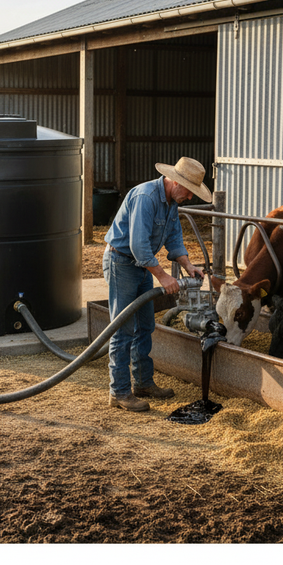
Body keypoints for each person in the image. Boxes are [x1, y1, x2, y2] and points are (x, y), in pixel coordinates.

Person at [102, 157, 213, 412]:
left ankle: (142, 383)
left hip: (140, 265)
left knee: (145, 326)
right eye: (188, 191)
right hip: (122, 262)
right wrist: (163, 276)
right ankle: (119, 392)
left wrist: (188, 265)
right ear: (175, 182)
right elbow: (139, 246)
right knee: (123, 328)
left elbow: (174, 237)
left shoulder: (171, 202)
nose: (189, 197)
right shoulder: (146, 197)